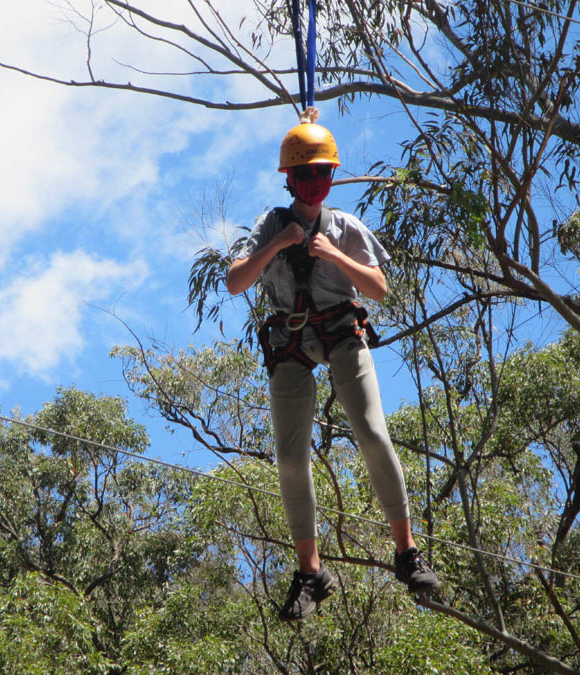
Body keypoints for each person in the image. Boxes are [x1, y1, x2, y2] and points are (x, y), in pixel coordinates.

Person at [226, 109, 439, 621]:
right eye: (306, 174)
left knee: (372, 433)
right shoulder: (271, 224)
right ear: (290, 179)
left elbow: (378, 288)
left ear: (330, 177)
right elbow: (235, 282)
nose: (314, 182)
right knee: (289, 458)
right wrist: (279, 244)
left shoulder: (344, 227)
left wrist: (333, 255)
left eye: (322, 173)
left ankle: (407, 552)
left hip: (342, 333)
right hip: (291, 341)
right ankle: (310, 572)